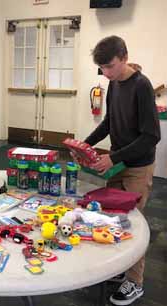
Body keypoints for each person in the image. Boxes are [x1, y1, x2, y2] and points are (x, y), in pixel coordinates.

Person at [85, 36, 161, 305]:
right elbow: (109, 122)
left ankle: (135, 282)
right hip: (118, 161)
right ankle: (119, 268)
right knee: (113, 218)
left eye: (110, 66)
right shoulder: (113, 85)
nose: (106, 73)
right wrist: (86, 143)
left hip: (138, 166)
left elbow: (151, 136)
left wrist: (113, 157)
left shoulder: (142, 86)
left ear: (124, 57)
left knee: (135, 224)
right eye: (102, 68)